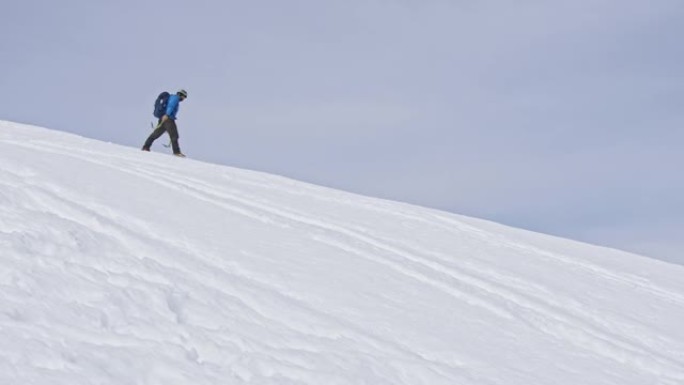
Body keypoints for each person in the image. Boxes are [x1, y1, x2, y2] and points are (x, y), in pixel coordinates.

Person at [142, 89, 188, 157]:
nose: (184, 99)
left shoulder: (172, 97)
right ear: (181, 95)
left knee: (155, 134)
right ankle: (176, 152)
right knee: (174, 135)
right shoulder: (175, 98)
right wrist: (167, 114)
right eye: (184, 97)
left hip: (163, 119)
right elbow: (171, 106)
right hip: (168, 119)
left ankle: (146, 147)